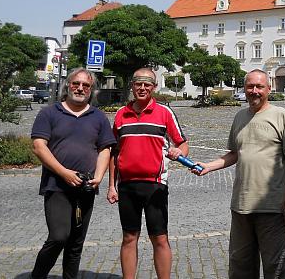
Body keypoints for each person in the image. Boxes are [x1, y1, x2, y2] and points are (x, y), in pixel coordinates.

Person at [194, 69, 285, 279]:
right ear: (244, 89)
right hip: (241, 205)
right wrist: (209, 165)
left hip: (272, 205)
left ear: (268, 88)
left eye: (259, 86)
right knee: (240, 265)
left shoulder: (281, 116)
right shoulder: (240, 116)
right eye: (250, 86)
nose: (254, 91)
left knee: (276, 266)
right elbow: (235, 153)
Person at [30, 67, 116, 279]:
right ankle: (37, 276)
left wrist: (99, 175)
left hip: (85, 187)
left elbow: (105, 148)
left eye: (86, 85)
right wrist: (64, 172)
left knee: (76, 243)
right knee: (59, 237)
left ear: (91, 89)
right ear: (68, 85)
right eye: (76, 83)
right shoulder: (49, 113)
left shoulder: (98, 117)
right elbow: (39, 147)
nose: (80, 88)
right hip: (56, 186)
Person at [107, 68, 189, 279]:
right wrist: (111, 186)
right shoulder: (120, 114)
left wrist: (179, 152)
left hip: (155, 185)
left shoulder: (164, 112)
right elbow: (113, 152)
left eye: (147, 84)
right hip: (127, 186)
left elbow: (182, 143)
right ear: (132, 86)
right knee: (128, 237)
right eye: (138, 84)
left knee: (159, 238)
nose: (142, 88)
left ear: (154, 87)